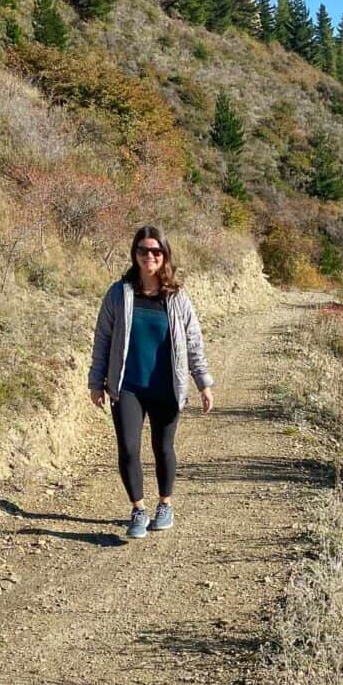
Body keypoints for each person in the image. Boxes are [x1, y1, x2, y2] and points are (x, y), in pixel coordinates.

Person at [87, 226, 215, 539]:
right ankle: (138, 510)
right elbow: (103, 338)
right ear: (135, 254)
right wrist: (96, 380)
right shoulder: (119, 293)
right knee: (129, 449)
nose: (150, 256)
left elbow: (193, 341)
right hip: (127, 385)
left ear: (165, 255)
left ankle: (165, 505)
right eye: (144, 250)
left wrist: (203, 383)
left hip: (166, 387)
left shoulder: (177, 296)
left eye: (156, 251)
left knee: (163, 447)